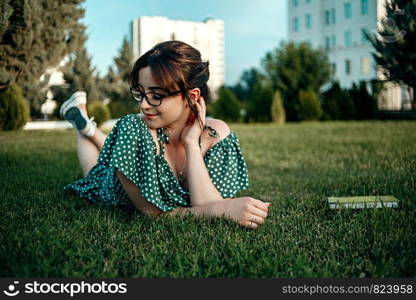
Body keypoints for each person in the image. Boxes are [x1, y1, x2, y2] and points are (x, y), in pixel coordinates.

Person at [61, 40, 271, 229]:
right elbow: (154, 214)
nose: (143, 105)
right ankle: (82, 125)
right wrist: (221, 210)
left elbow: (207, 202)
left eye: (156, 95)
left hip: (144, 150)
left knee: (112, 150)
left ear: (192, 96)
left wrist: (191, 143)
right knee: (93, 173)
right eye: (141, 93)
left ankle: (86, 126)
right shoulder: (132, 128)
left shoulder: (217, 134)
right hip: (110, 185)